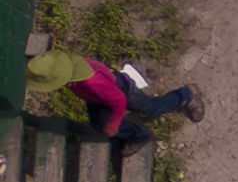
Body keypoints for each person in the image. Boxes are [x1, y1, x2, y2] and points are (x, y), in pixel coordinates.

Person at [27, 49, 196, 149]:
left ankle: (185, 95)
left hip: (120, 91)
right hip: (98, 96)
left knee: (150, 108)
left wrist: (113, 123)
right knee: (98, 122)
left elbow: (119, 100)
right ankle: (130, 133)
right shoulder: (71, 66)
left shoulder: (91, 83)